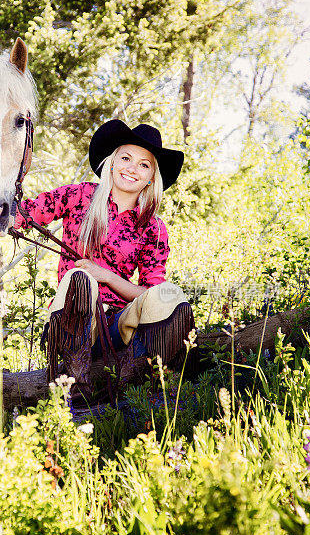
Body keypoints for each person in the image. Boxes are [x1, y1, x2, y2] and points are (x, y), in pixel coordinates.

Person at [15, 120, 197, 399]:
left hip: (119, 330)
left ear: (151, 177)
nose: (132, 168)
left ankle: (131, 378)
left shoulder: (153, 227)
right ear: (112, 163)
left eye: (144, 164)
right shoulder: (79, 196)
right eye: (125, 158)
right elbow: (27, 214)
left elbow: (149, 293)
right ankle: (77, 385)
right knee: (80, 279)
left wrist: (108, 277)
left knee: (171, 295)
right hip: (74, 325)